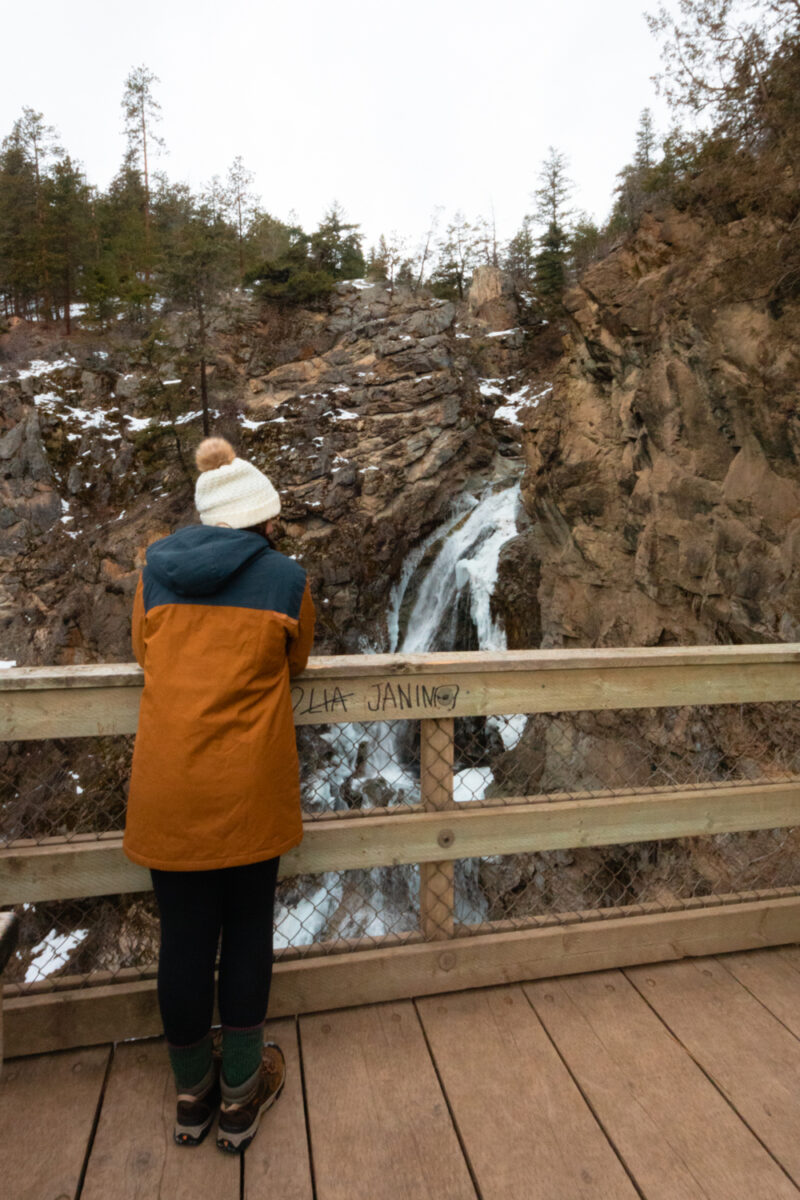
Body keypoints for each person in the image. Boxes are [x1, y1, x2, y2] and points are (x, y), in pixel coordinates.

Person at [124, 435, 315, 1153]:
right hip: (248, 793)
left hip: (170, 790)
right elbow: (298, 662)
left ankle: (189, 1096)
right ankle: (240, 1096)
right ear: (264, 519)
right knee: (246, 939)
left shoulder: (153, 575)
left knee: (183, 941)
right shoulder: (286, 580)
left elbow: (143, 654)